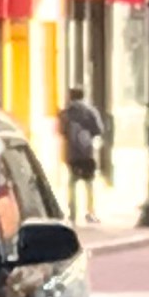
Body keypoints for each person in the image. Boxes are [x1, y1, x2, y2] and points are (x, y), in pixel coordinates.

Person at [58, 86, 107, 222]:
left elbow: (61, 130)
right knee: (89, 183)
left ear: (71, 97)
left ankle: (72, 212)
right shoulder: (90, 112)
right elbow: (99, 130)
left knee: (72, 182)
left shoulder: (66, 113)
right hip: (87, 152)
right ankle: (90, 212)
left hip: (72, 153)